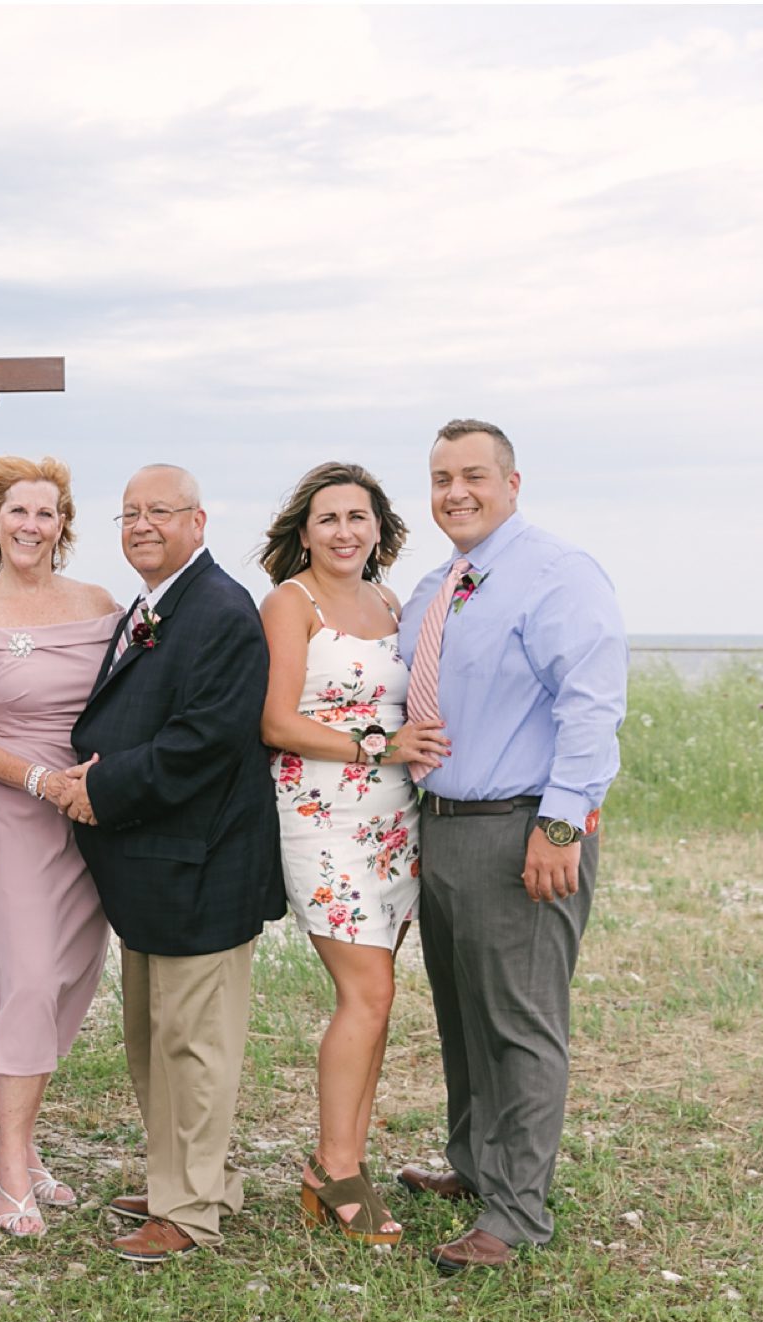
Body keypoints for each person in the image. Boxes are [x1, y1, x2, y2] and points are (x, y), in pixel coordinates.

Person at [394, 420, 625, 1274]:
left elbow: (592, 705)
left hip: (524, 827)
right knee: (461, 1016)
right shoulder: (434, 587)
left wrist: (561, 823)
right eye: (441, 477)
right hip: (442, 824)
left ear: (513, 482)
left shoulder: (557, 574)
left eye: (474, 475)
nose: (456, 491)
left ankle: (517, 1213)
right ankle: (474, 1167)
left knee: (520, 1025)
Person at [53, 463, 284, 1263]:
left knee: (195, 1043)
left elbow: (206, 740)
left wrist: (99, 787)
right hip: (156, 864)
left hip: (205, 863)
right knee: (153, 1037)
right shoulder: (156, 606)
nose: (141, 524)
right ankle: (186, 1178)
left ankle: (188, 1211)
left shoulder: (221, 610)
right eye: (128, 514)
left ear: (199, 520)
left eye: (159, 510)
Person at [256, 461, 445, 1247]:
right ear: (305, 531)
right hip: (321, 817)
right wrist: (379, 744)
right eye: (329, 518)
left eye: (358, 517)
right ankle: (334, 1169)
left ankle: (342, 1165)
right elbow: (276, 723)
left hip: (395, 820)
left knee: (380, 997)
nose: (344, 531)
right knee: (363, 994)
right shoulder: (289, 603)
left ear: (379, 527)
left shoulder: (391, 601)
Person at [0, 455, 120, 1238]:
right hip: (12, 808)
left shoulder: (102, 605)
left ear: (63, 525)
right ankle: (10, 1163)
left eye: (46, 513)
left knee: (73, 974)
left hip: (90, 814)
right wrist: (45, 781)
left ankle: (23, 1136)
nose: (31, 526)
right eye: (17, 511)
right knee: (28, 977)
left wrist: (105, 783)